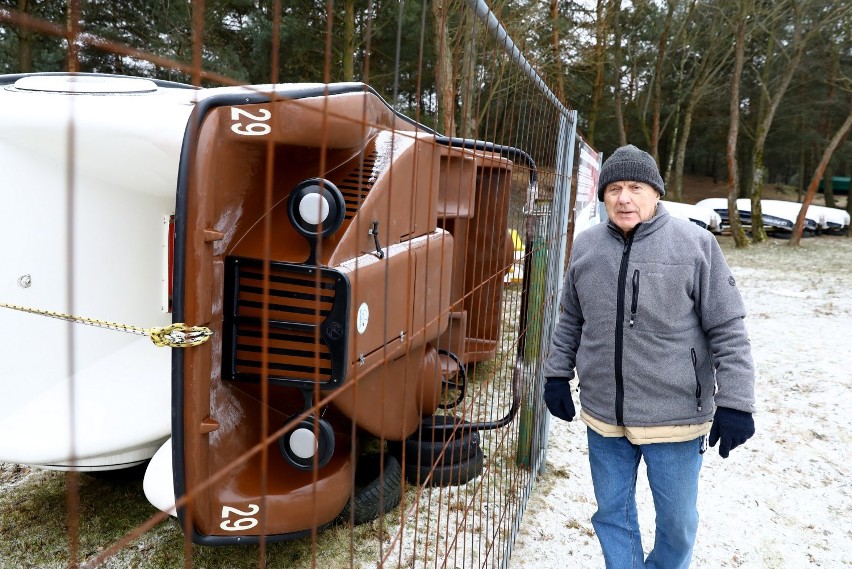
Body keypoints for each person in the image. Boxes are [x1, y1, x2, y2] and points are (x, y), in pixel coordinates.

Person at [543, 144, 756, 569]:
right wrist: (555, 374)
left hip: (675, 416)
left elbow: (728, 328)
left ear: (656, 193)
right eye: (615, 188)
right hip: (605, 414)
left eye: (636, 187)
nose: (624, 198)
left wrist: (737, 403)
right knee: (611, 515)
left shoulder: (695, 245)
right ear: (603, 195)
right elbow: (570, 317)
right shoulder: (586, 247)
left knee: (678, 523)